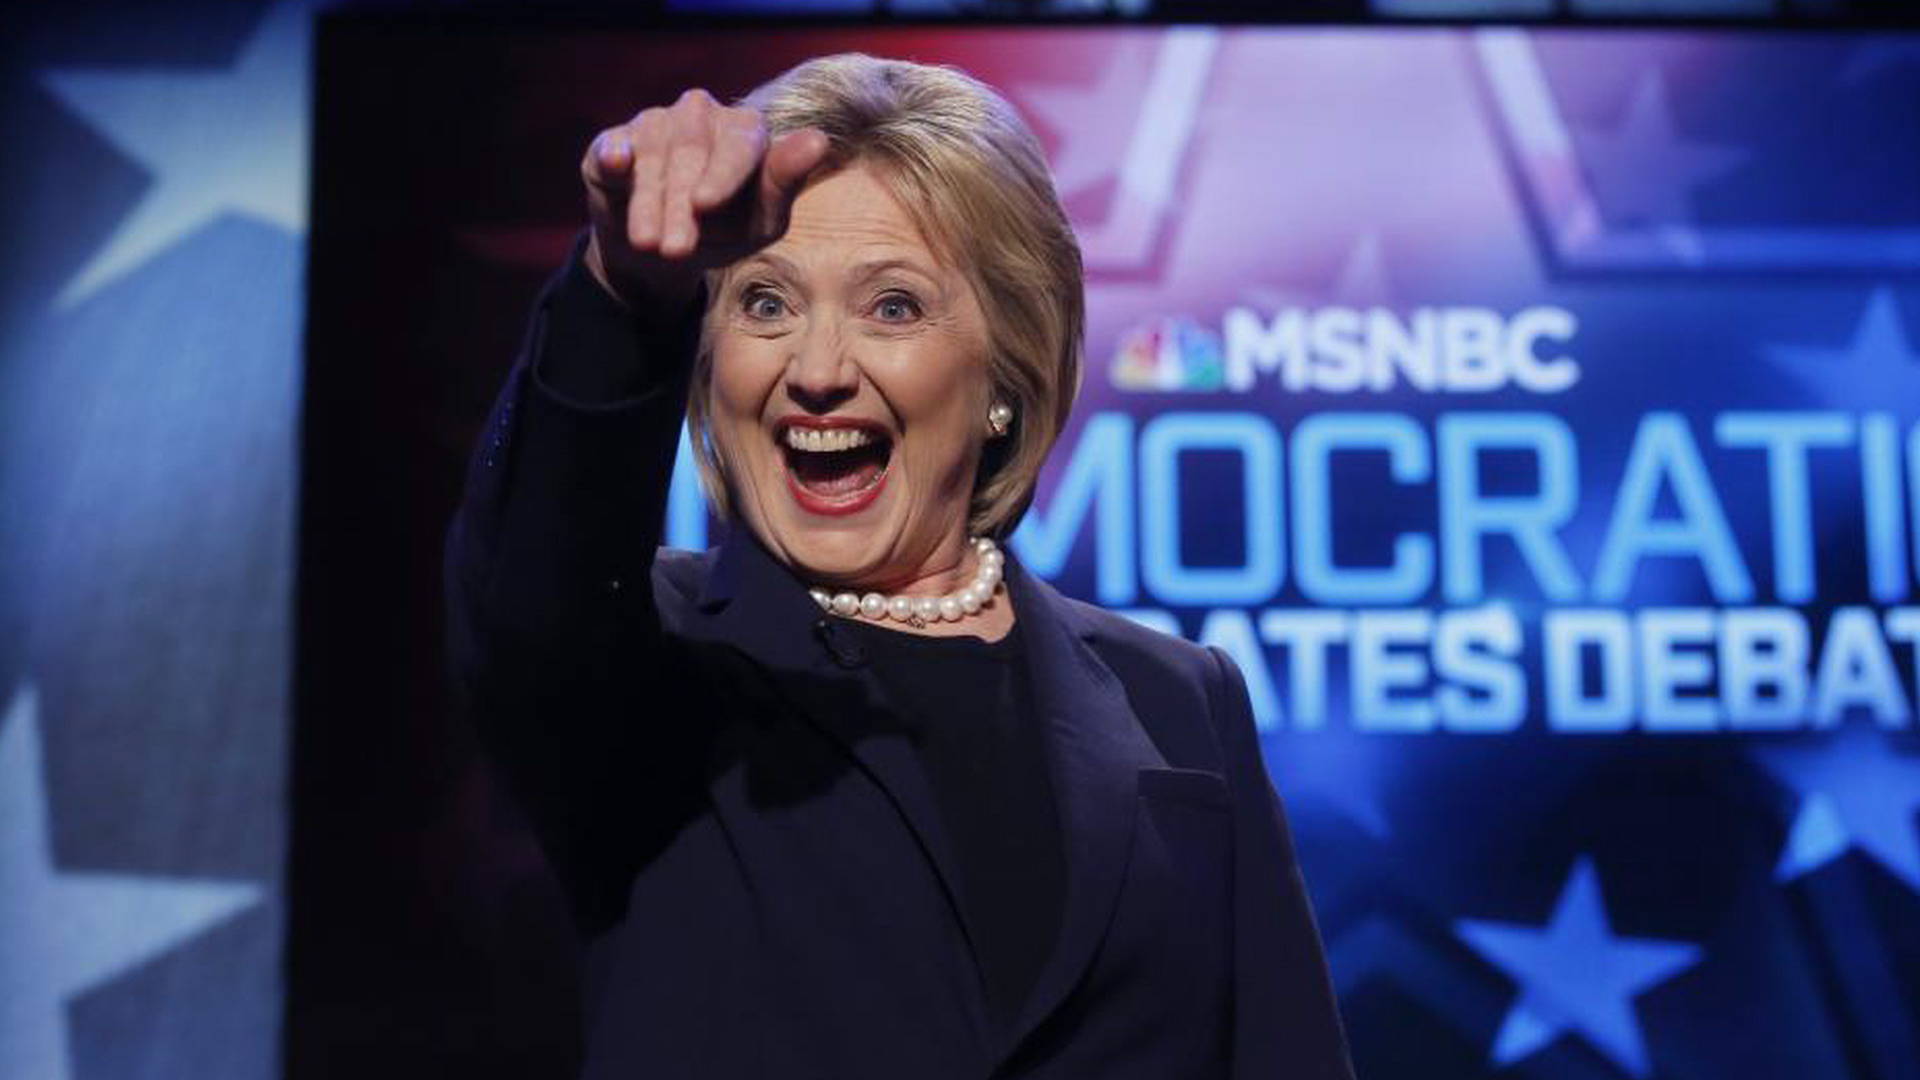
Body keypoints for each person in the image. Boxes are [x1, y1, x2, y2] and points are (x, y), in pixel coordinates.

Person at [442, 53, 1354, 1079]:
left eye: (892, 308)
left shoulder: (1178, 698)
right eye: (765, 304)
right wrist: (620, 291)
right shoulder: (647, 661)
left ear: (1003, 370)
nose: (818, 371)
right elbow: (530, 591)